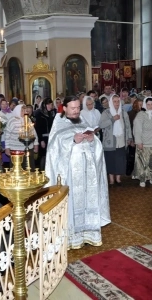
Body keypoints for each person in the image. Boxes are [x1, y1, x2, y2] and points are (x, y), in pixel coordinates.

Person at [45, 96, 110, 249]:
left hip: (88, 174)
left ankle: (88, 234)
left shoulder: (82, 120)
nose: (76, 111)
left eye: (77, 108)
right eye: (72, 108)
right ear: (64, 108)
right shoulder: (58, 122)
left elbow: (96, 145)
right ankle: (70, 238)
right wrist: (72, 141)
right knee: (73, 203)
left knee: (88, 200)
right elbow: (54, 147)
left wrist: (92, 139)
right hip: (70, 175)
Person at [99, 94, 132, 185]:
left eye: (118, 101)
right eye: (114, 101)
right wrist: (112, 119)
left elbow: (128, 126)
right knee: (110, 160)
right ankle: (111, 180)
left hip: (121, 140)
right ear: (111, 102)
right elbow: (101, 125)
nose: (117, 103)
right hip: (109, 142)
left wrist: (129, 138)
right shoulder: (106, 113)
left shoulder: (123, 112)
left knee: (120, 160)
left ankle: (118, 179)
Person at [4, 105, 39, 171]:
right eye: (22, 110)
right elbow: (7, 136)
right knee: (17, 169)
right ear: (17, 111)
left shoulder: (28, 119)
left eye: (25, 110)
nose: (24, 112)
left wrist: (36, 143)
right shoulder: (12, 121)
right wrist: (7, 147)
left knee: (29, 168)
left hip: (28, 148)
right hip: (16, 150)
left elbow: (33, 132)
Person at [35, 98, 56, 170]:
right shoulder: (39, 114)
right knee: (43, 155)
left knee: (50, 155)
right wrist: (41, 140)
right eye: (48, 104)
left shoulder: (52, 113)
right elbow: (38, 129)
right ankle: (42, 172)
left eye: (51, 104)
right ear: (44, 105)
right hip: (43, 138)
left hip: (50, 138)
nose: (50, 106)